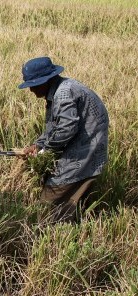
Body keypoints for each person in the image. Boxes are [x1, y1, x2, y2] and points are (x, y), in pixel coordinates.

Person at [18, 57, 109, 223]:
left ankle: (49, 228)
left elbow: (66, 129)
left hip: (85, 149)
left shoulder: (64, 94)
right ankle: (72, 224)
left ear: (46, 80)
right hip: (85, 146)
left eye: (33, 85)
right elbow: (54, 126)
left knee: (51, 197)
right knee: (74, 197)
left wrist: (46, 151)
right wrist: (38, 145)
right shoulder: (58, 90)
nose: (31, 90)